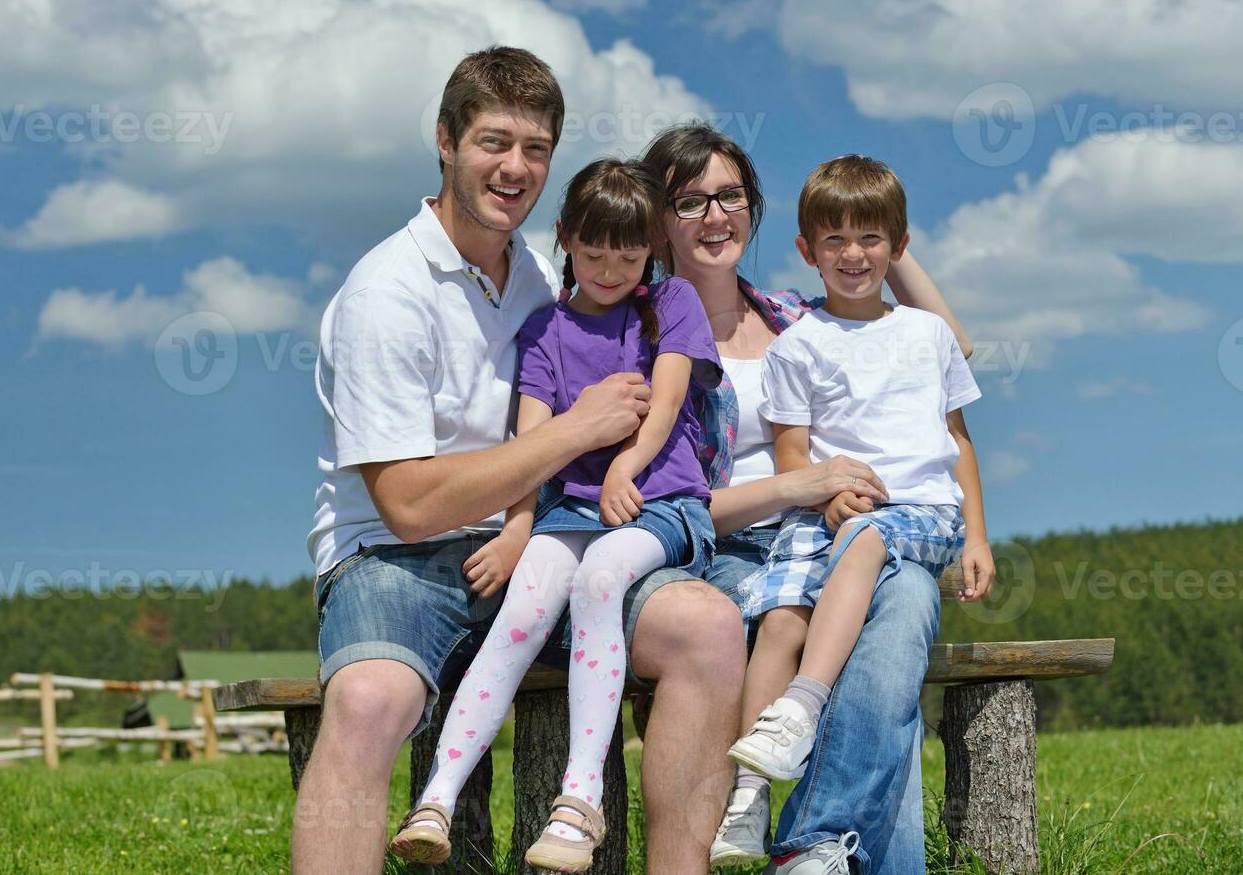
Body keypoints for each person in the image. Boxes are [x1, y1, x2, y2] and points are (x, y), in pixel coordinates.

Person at [293, 48, 749, 875]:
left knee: (707, 629)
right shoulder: (384, 295)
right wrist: (578, 432)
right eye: (492, 142)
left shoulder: (546, 279)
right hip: (398, 560)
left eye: (534, 148)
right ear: (444, 141)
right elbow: (407, 505)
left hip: (553, 537)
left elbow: (659, 308)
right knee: (367, 701)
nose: (514, 167)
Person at [640, 124, 980, 875]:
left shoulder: (795, 315)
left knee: (909, 601)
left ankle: (815, 842)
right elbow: (664, 503)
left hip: (843, 530)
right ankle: (823, 843)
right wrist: (800, 486)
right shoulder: (642, 336)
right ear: (655, 221)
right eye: (687, 201)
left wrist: (878, 232)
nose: (713, 215)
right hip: (728, 551)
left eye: (728, 196)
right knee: (884, 617)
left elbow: (948, 347)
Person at [390, 158, 724, 872]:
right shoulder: (544, 329)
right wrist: (517, 530)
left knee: (601, 577)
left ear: (651, 252)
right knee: (525, 602)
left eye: (628, 254)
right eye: (594, 250)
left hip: (661, 503)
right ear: (567, 238)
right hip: (570, 508)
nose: (609, 267)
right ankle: (436, 799)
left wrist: (622, 469)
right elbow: (532, 444)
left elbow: (664, 403)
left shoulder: (673, 304)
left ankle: (579, 803)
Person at [719, 154, 995, 860]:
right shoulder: (798, 345)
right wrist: (828, 492)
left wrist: (979, 538)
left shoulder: (925, 334)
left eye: (870, 239)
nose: (852, 254)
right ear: (806, 252)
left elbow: (956, 440)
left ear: (898, 249)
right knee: (780, 619)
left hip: (917, 515)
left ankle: (802, 708)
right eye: (834, 241)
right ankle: (748, 798)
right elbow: (792, 456)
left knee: (871, 541)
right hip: (827, 517)